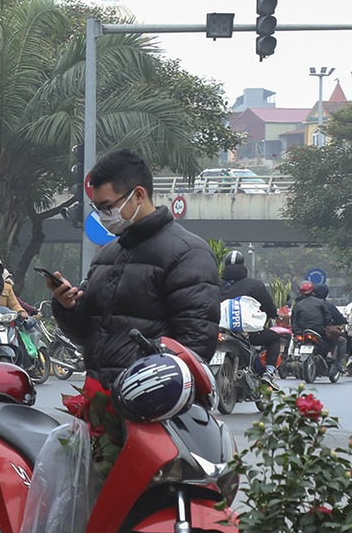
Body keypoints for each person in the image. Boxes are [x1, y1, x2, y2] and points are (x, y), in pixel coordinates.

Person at [47, 148, 220, 380]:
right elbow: (87, 333)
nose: (103, 215)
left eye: (107, 207)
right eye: (97, 209)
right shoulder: (106, 256)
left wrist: (146, 386)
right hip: (101, 400)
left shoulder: (188, 254)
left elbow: (195, 345)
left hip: (153, 401)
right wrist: (67, 306)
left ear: (138, 195)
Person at [218, 250, 278, 371]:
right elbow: (269, 307)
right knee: (275, 338)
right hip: (247, 333)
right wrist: (272, 314)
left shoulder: (214, 284)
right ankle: (269, 372)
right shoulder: (255, 285)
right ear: (243, 264)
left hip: (218, 331)